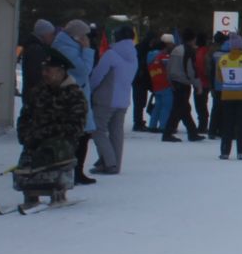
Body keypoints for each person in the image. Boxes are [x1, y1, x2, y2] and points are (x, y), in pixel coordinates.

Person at [12, 47, 88, 210]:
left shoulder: (74, 94)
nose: (45, 73)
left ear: (61, 71)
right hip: (34, 140)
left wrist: (44, 135)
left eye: (49, 70)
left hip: (60, 143)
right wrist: (24, 135)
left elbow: (75, 126)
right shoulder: (38, 91)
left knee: (48, 154)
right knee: (27, 160)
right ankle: (29, 194)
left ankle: (57, 191)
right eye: (43, 70)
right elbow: (25, 116)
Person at [87, 24, 138, 175]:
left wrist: (89, 89)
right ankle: (115, 163)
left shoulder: (111, 54)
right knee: (117, 132)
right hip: (123, 99)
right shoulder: (134, 56)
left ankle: (109, 162)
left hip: (106, 98)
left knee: (97, 130)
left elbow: (97, 75)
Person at [53, 19, 98, 184]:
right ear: (77, 36)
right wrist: (87, 50)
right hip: (75, 98)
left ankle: (76, 172)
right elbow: (84, 70)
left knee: (81, 135)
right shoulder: (68, 49)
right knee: (80, 135)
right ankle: (75, 172)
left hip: (78, 95)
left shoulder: (66, 46)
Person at [213, 34, 242, 158]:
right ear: (241, 46)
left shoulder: (223, 60)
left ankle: (224, 151)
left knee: (227, 123)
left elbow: (219, 77)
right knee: (241, 124)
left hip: (227, 95)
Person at [160, 32, 201, 142]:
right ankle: (168, 133)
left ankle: (192, 132)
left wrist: (170, 80)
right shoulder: (189, 51)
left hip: (174, 81)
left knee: (183, 108)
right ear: (192, 39)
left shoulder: (176, 49)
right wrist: (197, 84)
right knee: (178, 109)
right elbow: (191, 70)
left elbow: (168, 66)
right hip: (183, 82)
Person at [19, 19, 56, 128]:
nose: (53, 37)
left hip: (32, 93)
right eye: (51, 34)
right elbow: (36, 75)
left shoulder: (34, 48)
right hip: (36, 95)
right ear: (44, 34)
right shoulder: (36, 50)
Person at [145, 35, 174, 132]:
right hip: (165, 85)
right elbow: (170, 68)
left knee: (157, 106)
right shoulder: (163, 57)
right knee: (166, 107)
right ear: (163, 48)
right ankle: (164, 126)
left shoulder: (149, 57)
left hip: (155, 84)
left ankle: (152, 125)